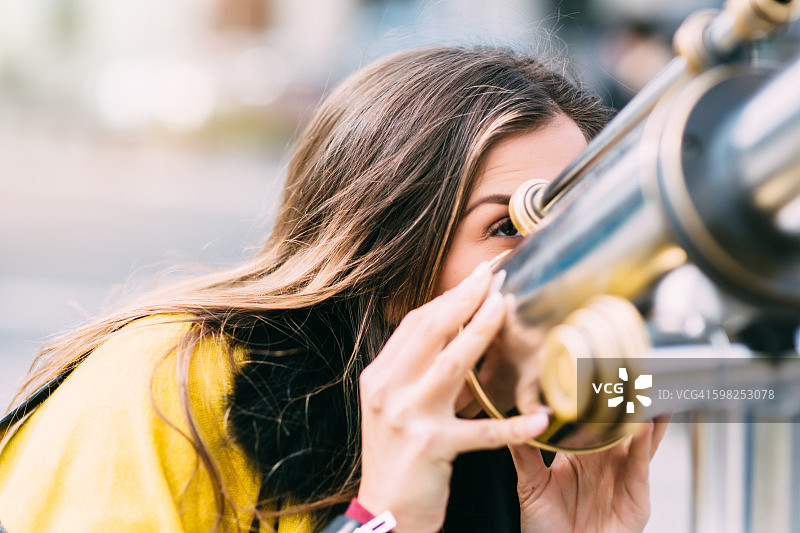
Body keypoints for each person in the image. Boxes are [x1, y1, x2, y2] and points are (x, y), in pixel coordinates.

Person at [0, 46, 666, 533]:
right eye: (507, 225)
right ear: (385, 243)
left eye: (580, 233)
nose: (567, 271)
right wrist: (381, 522)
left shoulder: (531, 446)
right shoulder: (165, 385)